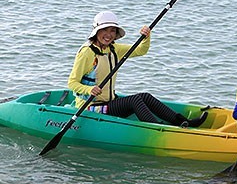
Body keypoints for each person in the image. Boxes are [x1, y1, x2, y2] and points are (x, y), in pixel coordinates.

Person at [68, 11, 207, 127]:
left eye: (112, 31)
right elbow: (72, 83)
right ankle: (158, 128)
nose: (108, 34)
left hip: (109, 102)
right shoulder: (87, 53)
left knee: (144, 96)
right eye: (104, 30)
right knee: (134, 100)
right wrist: (89, 89)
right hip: (90, 108)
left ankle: (184, 121)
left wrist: (146, 37)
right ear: (96, 31)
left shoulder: (114, 49)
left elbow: (141, 50)